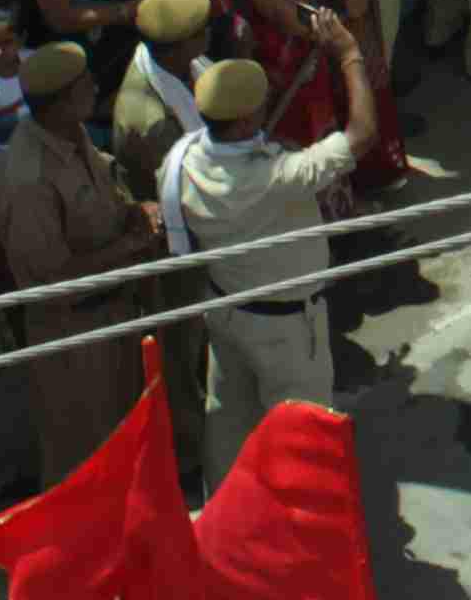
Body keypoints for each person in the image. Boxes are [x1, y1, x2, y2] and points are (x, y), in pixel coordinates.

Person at [159, 36, 383, 447]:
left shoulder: (181, 161)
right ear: (245, 122)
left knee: (230, 429)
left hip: (227, 312)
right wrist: (350, 53)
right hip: (285, 330)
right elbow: (363, 134)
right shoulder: (273, 178)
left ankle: (227, 492)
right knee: (303, 439)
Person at [0, 39, 156, 483]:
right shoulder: (28, 178)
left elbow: (102, 199)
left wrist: (134, 212)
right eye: (84, 84)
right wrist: (130, 247)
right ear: (59, 103)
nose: (94, 87)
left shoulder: (72, 134)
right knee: (88, 469)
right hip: (74, 340)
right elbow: (51, 281)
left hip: (114, 320)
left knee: (130, 457)